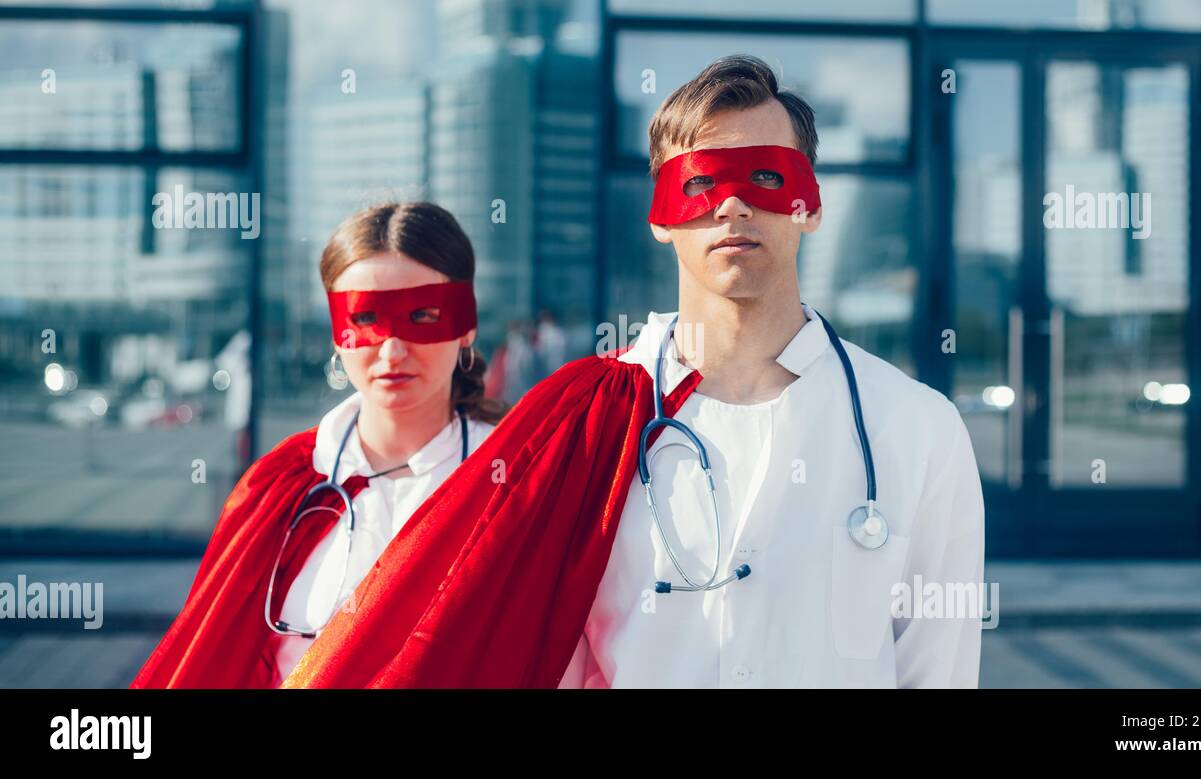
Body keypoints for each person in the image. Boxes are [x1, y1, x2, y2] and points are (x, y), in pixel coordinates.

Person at [282, 55, 984, 689]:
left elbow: (939, 673)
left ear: (811, 206)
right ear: (658, 214)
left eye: (767, 177)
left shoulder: (917, 430)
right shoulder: (581, 424)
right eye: (701, 182)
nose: (733, 205)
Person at [131, 202, 503, 688]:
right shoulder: (279, 484)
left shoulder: (516, 482)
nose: (392, 350)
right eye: (366, 317)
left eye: (423, 314)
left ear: (465, 325)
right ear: (337, 335)